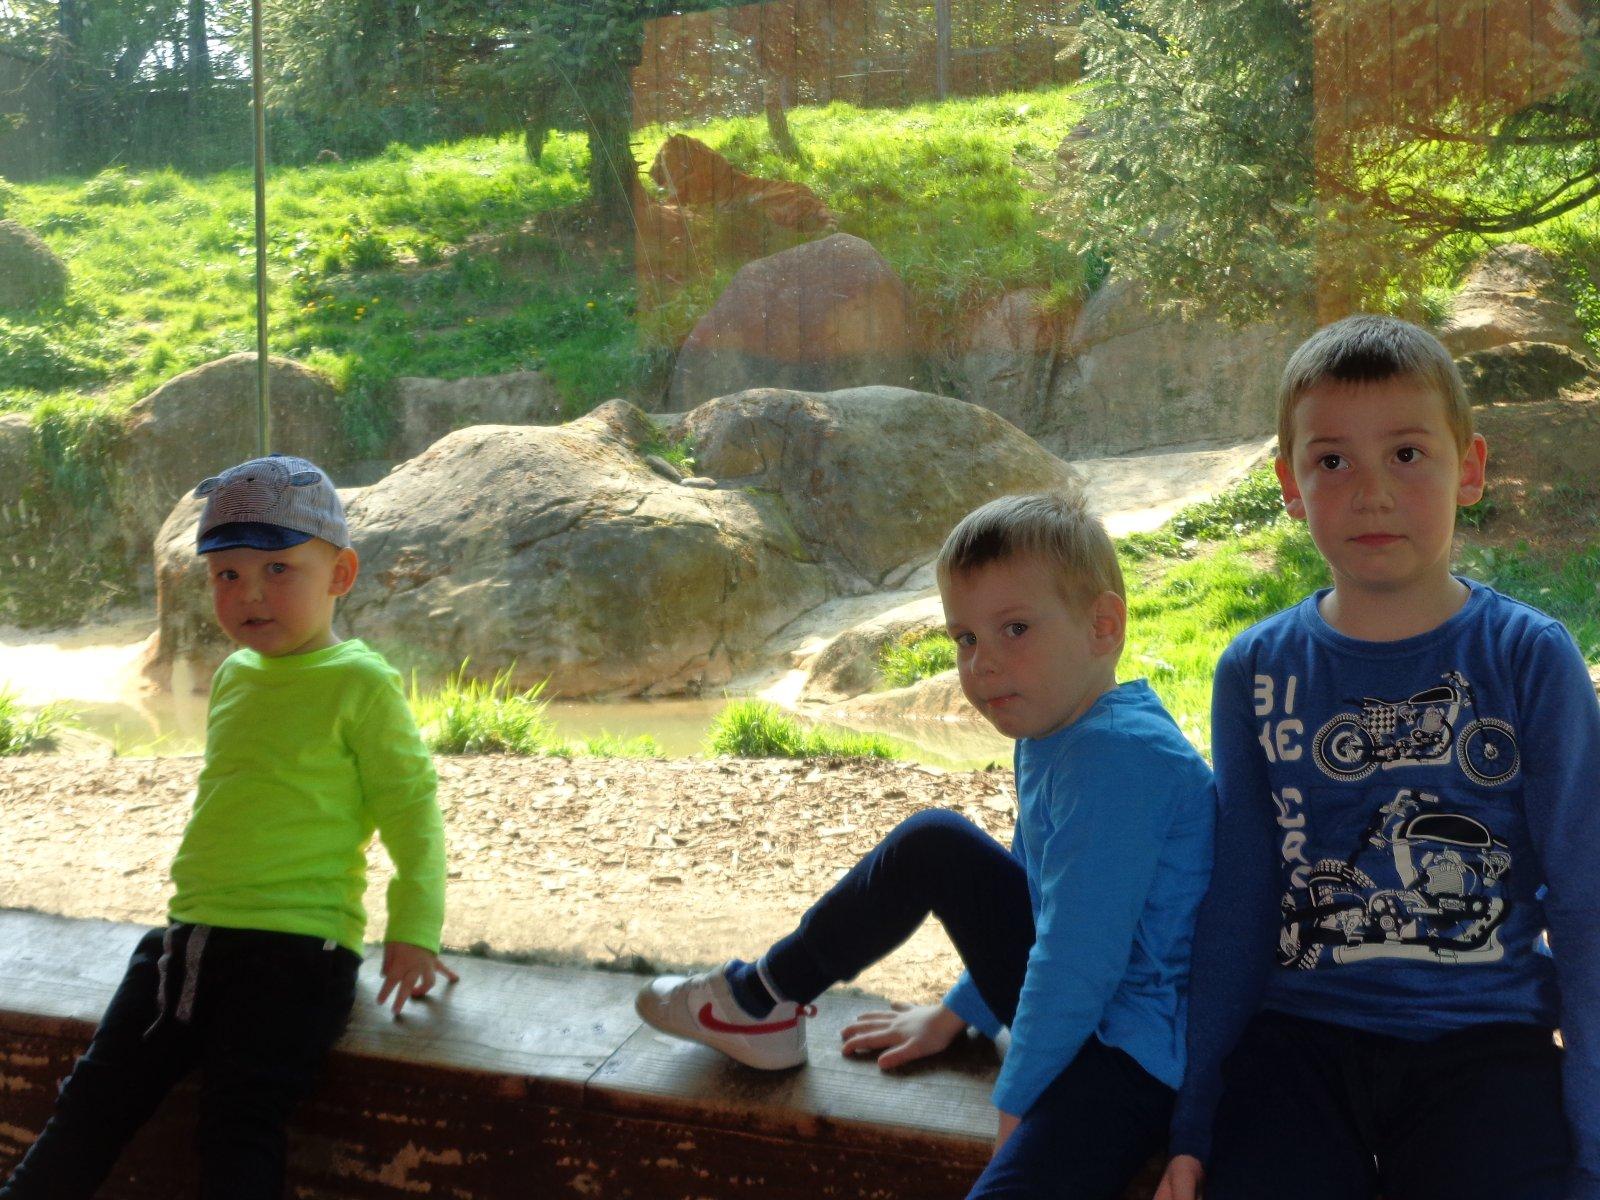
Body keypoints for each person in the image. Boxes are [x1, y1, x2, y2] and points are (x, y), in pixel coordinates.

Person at [637, 491, 1215, 1199]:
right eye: (965, 638)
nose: (982, 664)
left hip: (1137, 1053)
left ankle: (759, 1000)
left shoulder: (1117, 760)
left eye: (1014, 629)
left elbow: (1076, 962)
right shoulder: (1059, 732)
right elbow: (1035, 899)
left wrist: (1014, 1106)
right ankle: (763, 999)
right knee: (936, 843)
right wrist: (959, 1011)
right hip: (1096, 1015)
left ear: (1102, 627)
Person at [1156, 315, 1600, 1200]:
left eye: (1405, 454)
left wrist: (1591, 1144)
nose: (1371, 492)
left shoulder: (1528, 657)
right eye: (1332, 461)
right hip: (1298, 1038)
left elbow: (1586, 901)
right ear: (1289, 484)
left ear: (1468, 467)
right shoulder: (1256, 669)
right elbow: (1241, 898)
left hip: (1484, 1041)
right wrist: (1196, 1118)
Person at [1, 453, 456, 1200]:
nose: (249, 593)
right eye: (226, 573)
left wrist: (414, 929)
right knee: (91, 1101)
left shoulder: (361, 683)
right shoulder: (237, 675)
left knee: (238, 1126)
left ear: (340, 575)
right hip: (188, 941)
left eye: (278, 569)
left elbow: (413, 812)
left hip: (296, 954)